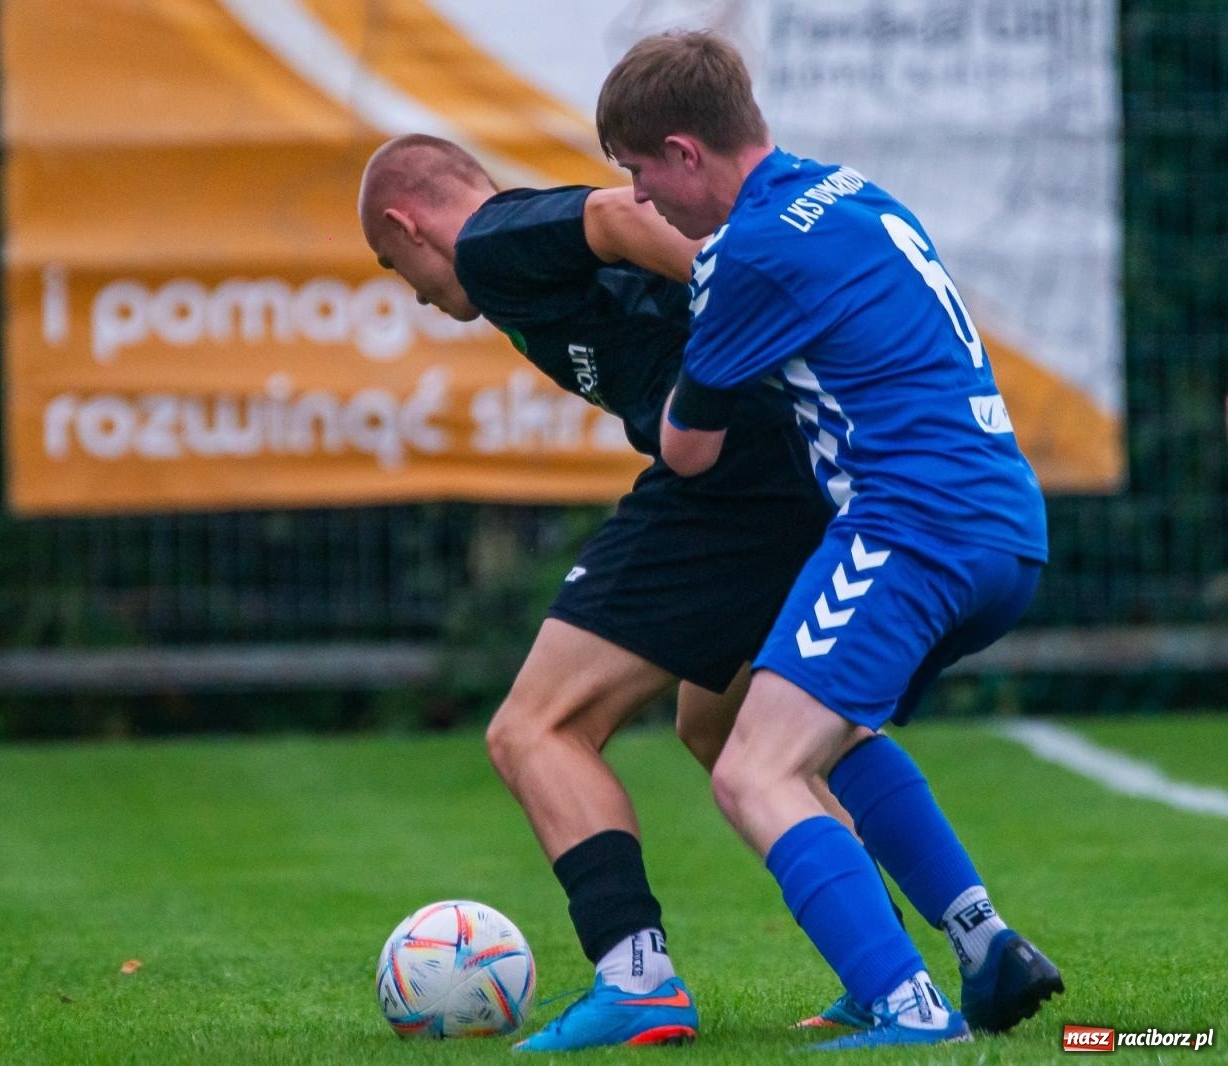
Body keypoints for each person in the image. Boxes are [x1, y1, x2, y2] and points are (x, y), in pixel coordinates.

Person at [357, 134, 1030, 1051]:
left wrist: (729, 279)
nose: (419, 295)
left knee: (534, 729)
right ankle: (945, 947)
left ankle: (637, 978)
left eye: (399, 270)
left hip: (727, 478)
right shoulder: (516, 249)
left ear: (408, 223)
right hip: (792, 466)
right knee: (734, 723)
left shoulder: (488, 239)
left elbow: (615, 213)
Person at [595, 30, 1065, 1049]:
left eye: (638, 176)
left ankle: (905, 1005)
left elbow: (686, 448)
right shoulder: (850, 190)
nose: (642, 204)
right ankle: (984, 945)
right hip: (1002, 524)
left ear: (683, 151)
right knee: (797, 727)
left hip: (912, 528)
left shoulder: (745, 253)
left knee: (752, 770)